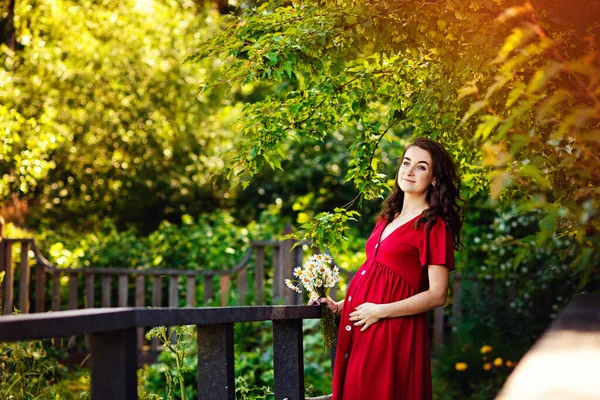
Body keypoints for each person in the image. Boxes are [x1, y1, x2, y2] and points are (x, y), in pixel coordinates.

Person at [315, 138, 464, 400]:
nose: (409, 171)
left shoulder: (434, 226)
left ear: (435, 179)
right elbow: (379, 277)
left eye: (421, 167)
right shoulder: (388, 217)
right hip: (364, 324)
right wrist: (340, 306)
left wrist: (381, 311)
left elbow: (437, 294)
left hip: (391, 330)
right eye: (406, 163)